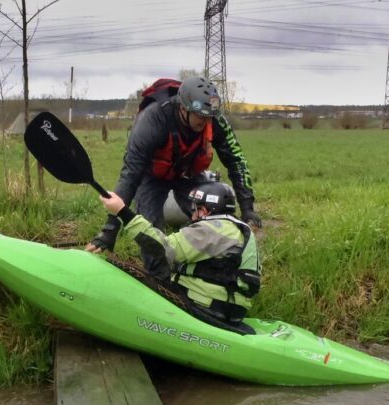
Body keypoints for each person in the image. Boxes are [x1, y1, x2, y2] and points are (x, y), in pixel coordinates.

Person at [86, 75, 260, 254]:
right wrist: (110, 229)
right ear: (184, 108)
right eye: (200, 116)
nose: (205, 121)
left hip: (188, 175)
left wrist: (248, 209)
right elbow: (131, 173)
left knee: (216, 218)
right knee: (151, 238)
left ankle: (209, 264)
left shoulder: (214, 120)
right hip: (151, 177)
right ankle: (158, 277)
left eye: (209, 117)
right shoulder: (153, 119)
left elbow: (236, 161)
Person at [97, 180, 261, 330]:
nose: (192, 216)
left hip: (208, 306)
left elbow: (163, 248)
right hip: (227, 307)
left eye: (195, 209)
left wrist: (123, 212)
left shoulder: (213, 229)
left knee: (137, 281)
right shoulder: (234, 228)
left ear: (204, 210)